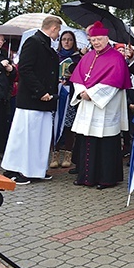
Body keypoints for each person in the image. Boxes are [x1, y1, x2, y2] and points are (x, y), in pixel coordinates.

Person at [70, 22, 132, 189]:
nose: (96, 42)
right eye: (93, 39)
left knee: (105, 142)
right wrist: (82, 91)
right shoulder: (88, 56)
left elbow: (114, 82)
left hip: (105, 106)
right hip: (87, 104)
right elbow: (78, 77)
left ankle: (106, 178)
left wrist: (92, 94)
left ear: (106, 38)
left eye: (98, 39)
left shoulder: (116, 58)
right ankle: (86, 177)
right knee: (86, 140)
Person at [1, 15, 62, 185]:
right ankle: (19, 169)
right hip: (32, 100)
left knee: (39, 138)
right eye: (59, 31)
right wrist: (40, 90)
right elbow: (26, 69)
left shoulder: (45, 44)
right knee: (26, 137)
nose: (58, 35)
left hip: (43, 100)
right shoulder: (33, 42)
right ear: (54, 28)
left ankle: (36, 169)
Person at [50, 30, 82, 169]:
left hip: (70, 93)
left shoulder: (78, 58)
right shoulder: (54, 56)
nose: (67, 42)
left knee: (69, 124)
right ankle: (55, 153)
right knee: (55, 123)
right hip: (57, 93)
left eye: (69, 39)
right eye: (64, 39)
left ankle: (68, 153)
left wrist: (72, 78)